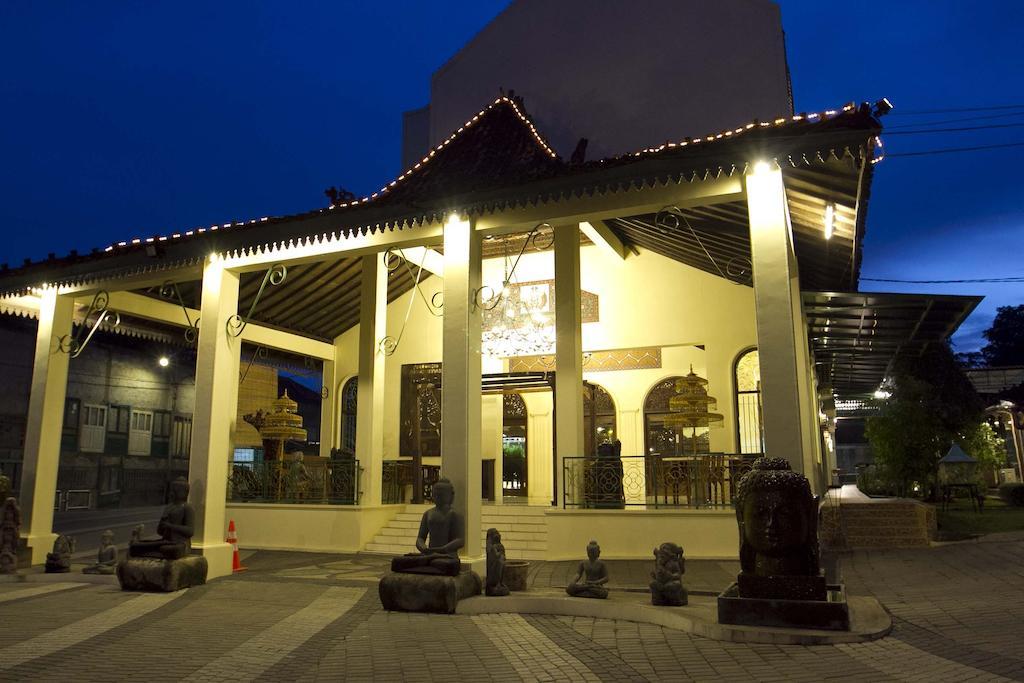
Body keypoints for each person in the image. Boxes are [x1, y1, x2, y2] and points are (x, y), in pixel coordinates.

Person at [390, 478, 464, 576]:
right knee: (401, 561)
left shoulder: (454, 514)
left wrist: (443, 549)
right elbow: (420, 538)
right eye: (435, 494)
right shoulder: (428, 514)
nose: (438, 497)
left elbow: (460, 540)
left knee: (442, 565)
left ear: (451, 496)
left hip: (447, 556)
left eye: (441, 494)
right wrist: (423, 548)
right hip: (430, 555)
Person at [129, 477, 194, 560]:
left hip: (180, 543)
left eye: (177, 490)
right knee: (135, 547)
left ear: (185, 492)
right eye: (172, 489)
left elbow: (190, 531)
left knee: (171, 549)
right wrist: (163, 525)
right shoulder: (169, 507)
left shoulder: (187, 508)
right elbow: (160, 531)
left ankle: (155, 552)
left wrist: (170, 526)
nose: (173, 492)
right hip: (166, 541)